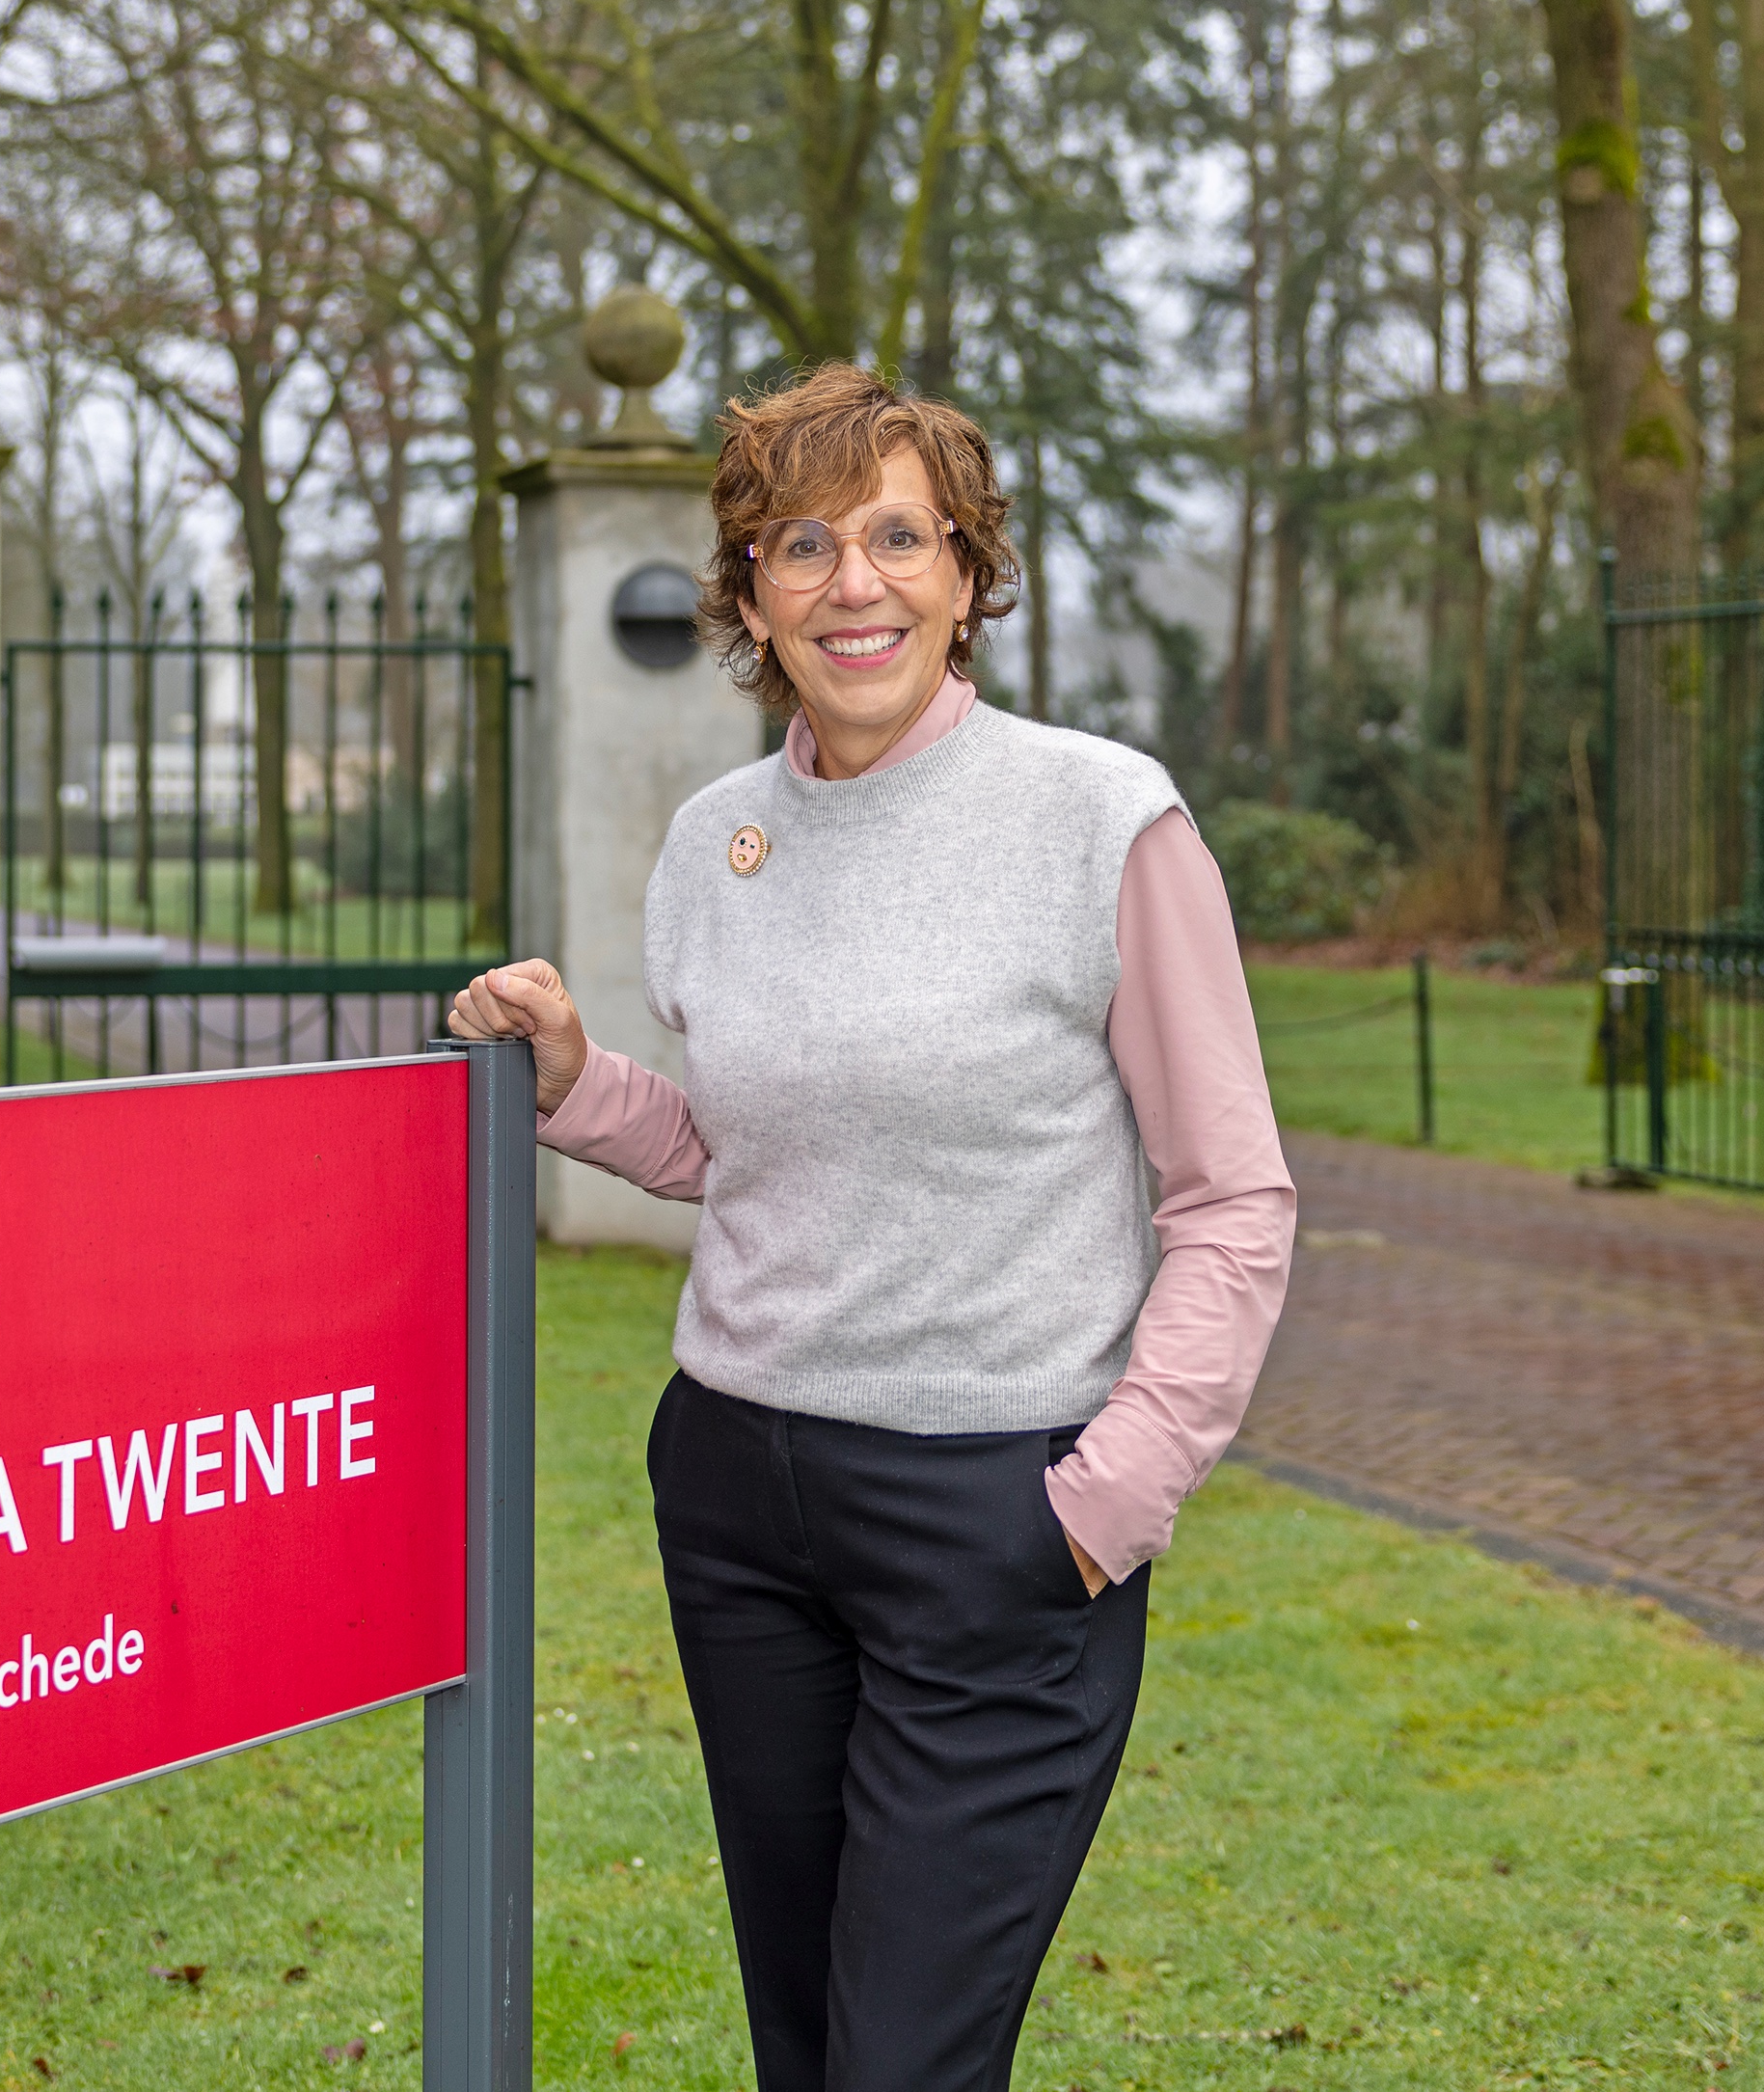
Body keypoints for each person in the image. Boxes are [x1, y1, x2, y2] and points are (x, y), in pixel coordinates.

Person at [446, 365, 1295, 2092]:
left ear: (969, 573)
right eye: (804, 542)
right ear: (749, 591)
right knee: (811, 2041)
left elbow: (1231, 1195)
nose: (856, 583)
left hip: (996, 1513)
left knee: (901, 2061)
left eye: (901, 536)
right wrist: (572, 1080)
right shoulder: (715, 841)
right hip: (740, 1499)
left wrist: (1104, 1505)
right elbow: (747, 1148)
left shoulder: (1099, 818)